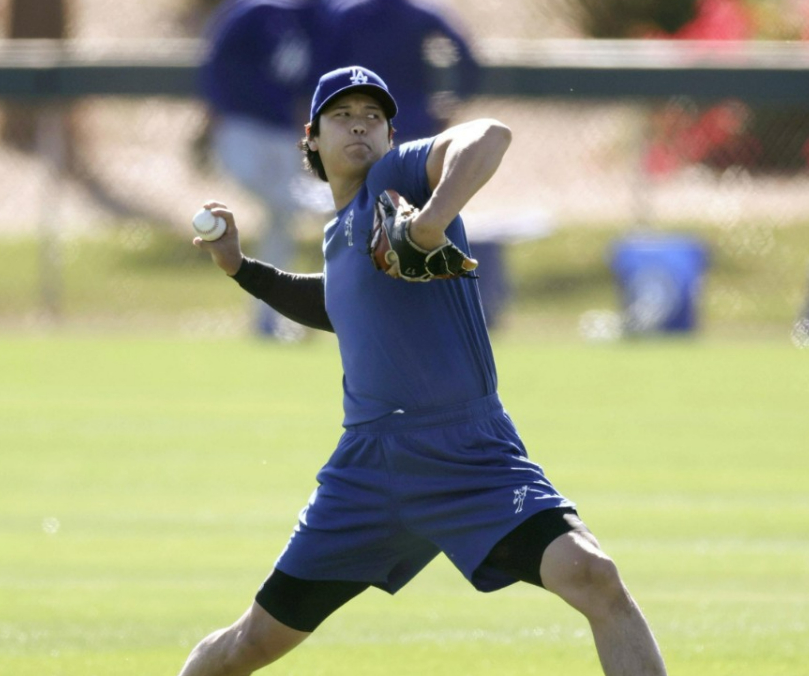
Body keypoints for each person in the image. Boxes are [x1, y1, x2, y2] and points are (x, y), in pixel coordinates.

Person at [180, 66, 667, 675]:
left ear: (391, 137)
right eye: (342, 116)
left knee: (594, 576)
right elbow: (338, 303)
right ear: (311, 138)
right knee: (249, 644)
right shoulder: (339, 234)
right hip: (367, 473)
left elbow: (489, 134)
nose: (360, 125)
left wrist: (432, 218)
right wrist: (240, 267)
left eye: (373, 116)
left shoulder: (397, 179)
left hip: (470, 456)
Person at [198, 0, 327, 340]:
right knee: (285, 202)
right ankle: (319, 202)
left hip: (284, 131)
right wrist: (210, 118)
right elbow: (215, 64)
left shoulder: (318, 15)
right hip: (241, 125)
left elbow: (320, 76)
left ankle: (271, 320)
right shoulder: (250, 13)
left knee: (281, 222)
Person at [317, 0, 480, 143]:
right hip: (414, 121)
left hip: (363, 124)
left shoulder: (350, 15)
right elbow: (466, 55)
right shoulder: (421, 14)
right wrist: (454, 102)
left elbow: (324, 66)